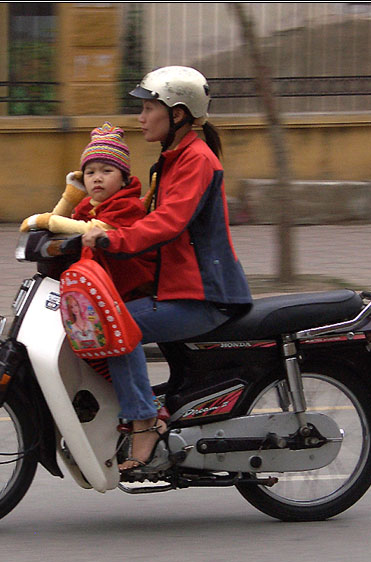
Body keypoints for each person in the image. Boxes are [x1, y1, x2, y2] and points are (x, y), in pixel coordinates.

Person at [81, 66, 253, 472]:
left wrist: (112, 239)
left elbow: (168, 222)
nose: (140, 117)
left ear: (176, 114)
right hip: (176, 288)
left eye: (147, 107)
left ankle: (144, 423)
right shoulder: (173, 158)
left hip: (204, 295)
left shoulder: (196, 159)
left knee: (116, 324)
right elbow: (141, 214)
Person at [21, 122, 155, 301]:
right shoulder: (88, 205)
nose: (97, 178)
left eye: (107, 171)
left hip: (127, 288)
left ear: (124, 179)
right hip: (94, 281)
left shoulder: (128, 206)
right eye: (90, 173)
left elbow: (91, 229)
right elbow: (65, 228)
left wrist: (47, 221)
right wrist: (70, 198)